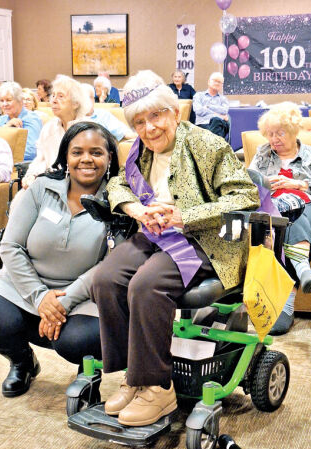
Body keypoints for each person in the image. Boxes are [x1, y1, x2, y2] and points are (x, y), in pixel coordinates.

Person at [91, 70, 259, 427]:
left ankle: (157, 387)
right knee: (105, 278)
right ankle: (132, 378)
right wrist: (135, 209)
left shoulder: (207, 145)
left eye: (156, 116)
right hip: (155, 233)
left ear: (175, 113)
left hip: (208, 240)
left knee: (146, 285)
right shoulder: (140, 150)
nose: (149, 128)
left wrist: (186, 216)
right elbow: (119, 184)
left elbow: (246, 196)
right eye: (139, 121)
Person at [0, 121, 119, 398]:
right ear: (65, 157)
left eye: (96, 152)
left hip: (84, 295)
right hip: (25, 285)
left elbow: (110, 266)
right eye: (77, 152)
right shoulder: (41, 189)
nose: (86, 159)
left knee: (81, 339)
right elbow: (11, 246)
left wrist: (63, 301)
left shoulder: (119, 201)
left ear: (109, 158)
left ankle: (88, 373)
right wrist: (39, 297)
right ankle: (22, 362)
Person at [249, 102, 311, 335]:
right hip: (277, 209)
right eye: (270, 134)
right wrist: (265, 184)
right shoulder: (262, 154)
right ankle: (302, 268)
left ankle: (286, 300)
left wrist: (297, 184)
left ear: (293, 131)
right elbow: (247, 185)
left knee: (291, 216)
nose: (274, 139)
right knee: (287, 218)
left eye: (280, 133)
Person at [21, 75, 91, 188]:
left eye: (60, 96)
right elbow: (42, 158)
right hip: (51, 181)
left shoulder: (89, 129)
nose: (53, 100)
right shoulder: (49, 128)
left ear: (76, 103)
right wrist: (31, 175)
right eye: (53, 95)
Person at [0, 81, 42, 161]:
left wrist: (0, 154)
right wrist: (6, 127)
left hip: (22, 168)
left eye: (9, 100)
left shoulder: (32, 119)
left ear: (20, 100)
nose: (4, 104)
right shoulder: (0, 121)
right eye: (1, 100)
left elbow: (31, 152)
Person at [193, 72, 230, 140]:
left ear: (222, 85)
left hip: (220, 124)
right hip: (203, 125)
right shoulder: (199, 95)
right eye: (215, 81)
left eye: (219, 82)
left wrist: (208, 106)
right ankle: (215, 145)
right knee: (217, 126)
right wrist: (218, 115)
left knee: (216, 121)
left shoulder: (223, 99)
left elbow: (224, 110)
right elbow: (199, 111)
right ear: (209, 82)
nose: (217, 83)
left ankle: (210, 145)